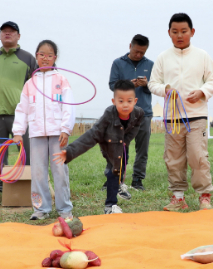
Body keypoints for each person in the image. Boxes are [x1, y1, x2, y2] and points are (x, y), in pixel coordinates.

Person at [148, 13, 213, 211]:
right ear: (169, 33)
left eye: (184, 31)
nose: (179, 35)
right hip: (172, 118)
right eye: (175, 31)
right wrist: (165, 89)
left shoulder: (202, 55)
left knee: (198, 156)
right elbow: (153, 83)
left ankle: (204, 197)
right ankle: (178, 198)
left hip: (197, 115)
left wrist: (202, 92)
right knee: (173, 158)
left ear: (192, 32)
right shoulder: (163, 57)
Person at [53, 80, 145, 214]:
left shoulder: (139, 113)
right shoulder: (109, 114)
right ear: (114, 101)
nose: (125, 105)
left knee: (123, 163)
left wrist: (126, 140)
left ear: (135, 101)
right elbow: (92, 135)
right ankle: (110, 206)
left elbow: (136, 127)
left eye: (129, 101)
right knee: (114, 170)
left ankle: (119, 185)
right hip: (109, 142)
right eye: (121, 101)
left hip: (122, 143)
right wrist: (70, 151)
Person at [13, 40, 75, 220]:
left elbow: (68, 106)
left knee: (60, 171)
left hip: (58, 134)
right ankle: (41, 209)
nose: (45, 58)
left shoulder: (61, 80)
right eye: (42, 54)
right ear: (36, 56)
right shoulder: (30, 83)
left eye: (49, 55)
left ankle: (64, 209)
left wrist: (65, 129)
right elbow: (22, 109)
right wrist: (18, 132)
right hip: (37, 133)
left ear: (55, 58)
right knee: (38, 172)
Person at [0, 21, 38, 198]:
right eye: (4, 31)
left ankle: (29, 189)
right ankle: (1, 190)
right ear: (0, 35)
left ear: (19, 36)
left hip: (20, 116)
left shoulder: (27, 58)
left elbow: (36, 83)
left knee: (26, 153)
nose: (7, 33)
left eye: (12, 31)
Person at [108, 34, 154, 193]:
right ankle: (116, 179)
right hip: (123, 113)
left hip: (144, 113)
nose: (139, 55)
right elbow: (112, 85)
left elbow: (156, 87)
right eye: (136, 51)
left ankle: (138, 180)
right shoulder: (118, 63)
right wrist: (129, 84)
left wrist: (146, 84)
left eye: (142, 52)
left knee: (143, 149)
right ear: (130, 46)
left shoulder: (151, 65)